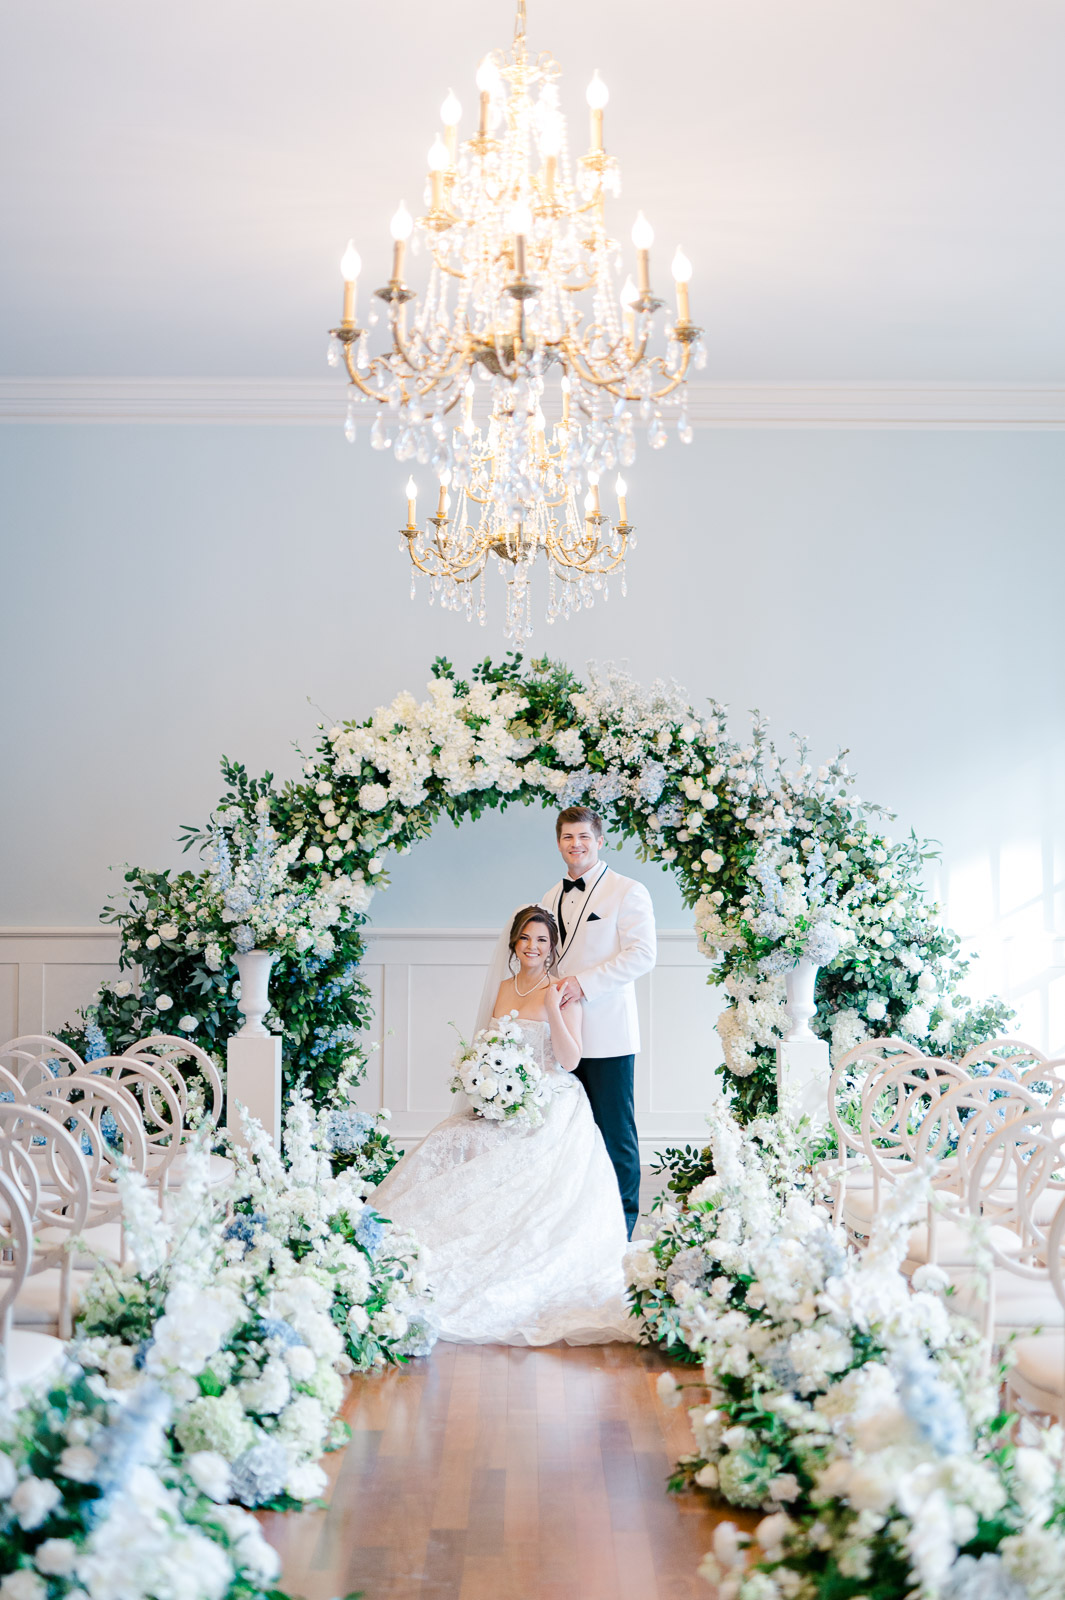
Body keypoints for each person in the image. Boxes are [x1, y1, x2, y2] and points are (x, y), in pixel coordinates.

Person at [371, 904, 635, 1346]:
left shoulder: (565, 992)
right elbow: (488, 1048)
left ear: (552, 949)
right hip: (501, 1101)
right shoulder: (503, 988)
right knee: (448, 1139)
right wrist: (485, 1089)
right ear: (513, 943)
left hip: (549, 1101)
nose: (533, 947)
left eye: (542, 941)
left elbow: (570, 1061)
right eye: (526, 939)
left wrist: (552, 1006)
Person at [542, 807, 657, 1238]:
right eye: (568, 837)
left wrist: (583, 984)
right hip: (561, 1035)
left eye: (584, 837)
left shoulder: (628, 890)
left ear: (599, 840)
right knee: (567, 1135)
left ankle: (624, 1226)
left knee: (616, 1134)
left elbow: (643, 954)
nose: (576, 845)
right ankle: (578, 1228)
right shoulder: (548, 897)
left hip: (608, 1033)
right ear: (559, 843)